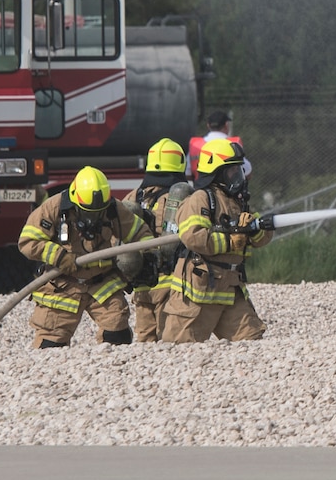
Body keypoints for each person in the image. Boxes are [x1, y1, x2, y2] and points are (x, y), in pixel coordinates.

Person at [157, 138, 274, 343]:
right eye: (232, 171)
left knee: (252, 343)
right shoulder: (201, 199)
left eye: (238, 170)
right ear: (217, 172)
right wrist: (231, 242)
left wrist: (256, 232)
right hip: (197, 291)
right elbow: (193, 236)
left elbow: (260, 237)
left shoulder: (238, 202)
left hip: (229, 289)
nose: (238, 176)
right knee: (177, 352)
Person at [16, 166, 148, 348]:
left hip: (102, 284)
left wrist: (146, 257)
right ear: (75, 200)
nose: (92, 218)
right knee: (50, 345)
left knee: (118, 335)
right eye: (87, 211)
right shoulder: (54, 208)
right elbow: (28, 241)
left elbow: (141, 234)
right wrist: (60, 257)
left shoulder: (113, 208)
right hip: (63, 285)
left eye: (98, 212)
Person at [121, 138, 189, 342]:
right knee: (167, 341)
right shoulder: (180, 198)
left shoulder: (133, 197)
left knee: (145, 340)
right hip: (169, 283)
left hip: (141, 284)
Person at [186, 109, 251, 182]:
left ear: (208, 125)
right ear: (226, 125)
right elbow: (247, 172)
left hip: (201, 189)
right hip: (227, 190)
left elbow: (187, 173)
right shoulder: (234, 144)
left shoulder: (195, 145)